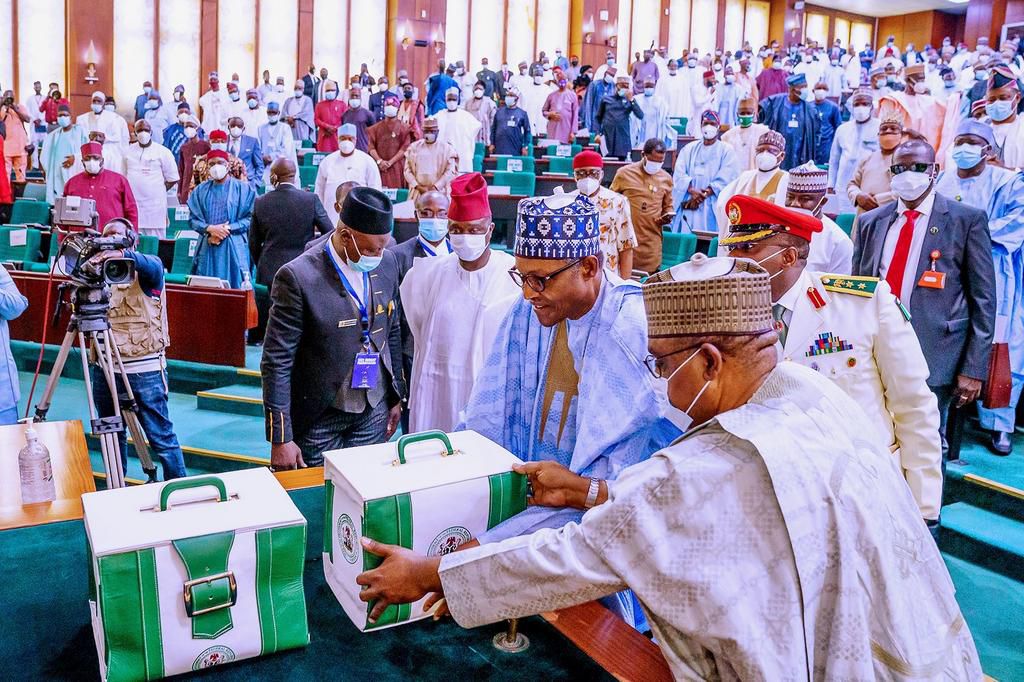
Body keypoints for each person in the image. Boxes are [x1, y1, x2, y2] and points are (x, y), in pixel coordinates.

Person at [357, 253, 981, 682]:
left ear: (709, 361)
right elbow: (694, 516)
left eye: (661, 365)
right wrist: (592, 490)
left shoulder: (713, 458)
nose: (662, 386)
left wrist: (434, 571)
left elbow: (576, 559)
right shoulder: (817, 397)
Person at [451, 191, 677, 625]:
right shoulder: (529, 310)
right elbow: (489, 413)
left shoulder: (632, 329)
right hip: (532, 499)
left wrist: (580, 490)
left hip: (594, 524)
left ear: (589, 267)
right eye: (521, 277)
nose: (530, 292)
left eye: (541, 279)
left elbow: (633, 480)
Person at [723, 195, 942, 523]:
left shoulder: (863, 303)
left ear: (788, 256)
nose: (734, 260)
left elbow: (913, 405)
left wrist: (924, 508)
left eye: (748, 249)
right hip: (775, 495)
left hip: (861, 488)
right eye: (732, 248)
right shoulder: (726, 313)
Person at [852, 139, 996, 457]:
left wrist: (973, 368)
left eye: (917, 167)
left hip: (935, 352)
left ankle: (927, 508)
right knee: (872, 437)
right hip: (874, 350)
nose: (908, 175)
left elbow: (984, 299)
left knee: (927, 442)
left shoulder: (965, 220)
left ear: (934, 170)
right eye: (899, 168)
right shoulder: (870, 222)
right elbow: (856, 291)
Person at [263, 187, 405, 468]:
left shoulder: (387, 262)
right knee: (322, 501)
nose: (377, 255)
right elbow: (276, 361)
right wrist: (280, 437)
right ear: (344, 236)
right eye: (369, 249)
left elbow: (392, 330)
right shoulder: (297, 276)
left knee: (366, 495)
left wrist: (395, 396)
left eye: (382, 247)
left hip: (372, 406)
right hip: (319, 415)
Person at [401, 176, 520, 434]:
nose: (465, 237)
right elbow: (418, 334)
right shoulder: (427, 274)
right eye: (456, 229)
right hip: (436, 389)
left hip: (487, 392)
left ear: (490, 230)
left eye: (474, 230)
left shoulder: (513, 275)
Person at [935, 120, 1024, 456]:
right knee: (950, 337)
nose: (965, 149)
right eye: (960, 141)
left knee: (1001, 347)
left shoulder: (1008, 181)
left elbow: (1017, 221)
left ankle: (999, 424)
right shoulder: (943, 179)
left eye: (973, 142)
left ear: (988, 149)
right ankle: (942, 419)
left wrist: (971, 238)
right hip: (949, 272)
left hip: (995, 274)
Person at [89, 218, 187, 481]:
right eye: (106, 237)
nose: (109, 243)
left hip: (145, 371)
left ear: (133, 241)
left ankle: (180, 490)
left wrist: (123, 254)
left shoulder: (148, 270)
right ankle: (116, 488)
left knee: (161, 437)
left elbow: (153, 264)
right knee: (111, 433)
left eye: (117, 237)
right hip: (105, 368)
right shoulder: (98, 272)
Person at [187, 149, 256, 289]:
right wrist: (210, 229)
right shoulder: (200, 191)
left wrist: (227, 228)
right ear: (207, 166)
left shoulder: (243, 189)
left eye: (220, 162)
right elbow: (192, 219)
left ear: (228, 165)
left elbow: (251, 218)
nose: (216, 166)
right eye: (212, 164)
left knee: (236, 289)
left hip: (233, 245)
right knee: (206, 291)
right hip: (208, 245)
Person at [564, 150, 637, 279]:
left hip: (607, 275)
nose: (588, 178)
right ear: (574, 176)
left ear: (601, 175)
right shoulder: (565, 202)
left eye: (593, 173)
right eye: (581, 173)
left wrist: (624, 285)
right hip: (574, 278)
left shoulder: (617, 202)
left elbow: (626, 247)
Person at [610, 138, 674, 275]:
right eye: (653, 161)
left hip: (651, 243)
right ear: (643, 155)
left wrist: (667, 216)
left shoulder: (666, 178)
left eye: (660, 162)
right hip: (626, 240)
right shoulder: (624, 174)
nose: (656, 165)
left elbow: (668, 206)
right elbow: (611, 202)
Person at [714, 130, 790, 246]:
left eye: (771, 150)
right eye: (760, 150)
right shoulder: (745, 178)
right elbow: (723, 204)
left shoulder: (787, 181)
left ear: (782, 155)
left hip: (770, 244)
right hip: (740, 241)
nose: (764, 154)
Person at [671, 110, 739, 235]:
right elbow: (679, 173)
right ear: (701, 126)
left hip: (712, 203)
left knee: (709, 239)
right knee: (688, 239)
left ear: (718, 126)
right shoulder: (689, 148)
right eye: (706, 123)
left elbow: (728, 175)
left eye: (712, 123)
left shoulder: (726, 150)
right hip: (689, 200)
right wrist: (692, 190)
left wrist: (704, 194)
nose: (709, 126)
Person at [784, 162, 853, 274]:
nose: (794, 204)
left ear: (823, 202)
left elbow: (836, 290)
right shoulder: (775, 228)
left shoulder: (839, 241)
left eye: (805, 199)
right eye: (790, 197)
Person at [315, 123, 383, 226]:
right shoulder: (327, 162)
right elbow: (319, 191)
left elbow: (376, 191)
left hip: (360, 220)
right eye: (343, 138)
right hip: (330, 220)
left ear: (355, 139)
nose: (346, 142)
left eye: (350, 138)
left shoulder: (367, 161)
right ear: (337, 139)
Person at [63, 142, 138, 232]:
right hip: (78, 239)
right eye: (87, 158)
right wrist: (62, 239)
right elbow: (64, 214)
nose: (91, 161)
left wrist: (132, 238)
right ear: (82, 162)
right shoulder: (72, 183)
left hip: (112, 237)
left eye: (95, 158)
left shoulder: (119, 180)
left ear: (102, 160)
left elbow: (131, 210)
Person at [827, 89, 880, 214]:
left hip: (869, 186)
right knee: (844, 218)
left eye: (865, 104)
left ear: (871, 107)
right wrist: (831, 184)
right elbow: (834, 160)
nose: (861, 108)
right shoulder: (842, 129)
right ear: (852, 106)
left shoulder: (880, 127)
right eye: (857, 104)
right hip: (843, 184)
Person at [124, 119, 179, 238]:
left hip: (155, 205)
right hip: (134, 203)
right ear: (135, 132)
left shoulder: (163, 152)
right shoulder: (127, 151)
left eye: (146, 130)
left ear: (151, 132)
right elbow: (122, 177)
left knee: (156, 241)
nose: (143, 133)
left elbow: (173, 177)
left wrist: (158, 190)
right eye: (140, 130)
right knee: (134, 239)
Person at [877, 64, 947, 155]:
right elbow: (883, 124)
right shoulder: (893, 100)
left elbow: (947, 109)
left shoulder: (926, 100)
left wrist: (958, 97)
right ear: (908, 80)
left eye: (923, 80)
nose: (922, 83)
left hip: (921, 150)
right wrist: (908, 131)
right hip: (898, 150)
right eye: (919, 79)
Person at [758, 73, 819, 170]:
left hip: (800, 154)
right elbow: (759, 114)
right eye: (802, 87)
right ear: (792, 89)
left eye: (806, 86)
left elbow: (816, 134)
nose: (805, 90)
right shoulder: (775, 103)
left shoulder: (810, 110)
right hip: (779, 152)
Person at [847, 116, 902, 216]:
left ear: (901, 135)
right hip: (862, 214)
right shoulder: (867, 158)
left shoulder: (905, 160)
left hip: (889, 215)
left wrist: (876, 200)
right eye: (884, 128)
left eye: (893, 128)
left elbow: (905, 191)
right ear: (878, 134)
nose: (888, 131)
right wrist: (858, 196)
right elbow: (852, 184)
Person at [41, 103, 87, 204]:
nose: (62, 117)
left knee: (73, 201)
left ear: (71, 117)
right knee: (58, 201)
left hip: (74, 171)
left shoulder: (80, 131)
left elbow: (87, 150)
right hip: (57, 172)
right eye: (60, 115)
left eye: (65, 115)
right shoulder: (53, 135)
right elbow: (46, 156)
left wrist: (76, 157)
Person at [75, 91, 128, 174]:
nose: (96, 103)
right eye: (94, 101)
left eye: (99, 101)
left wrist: (104, 138)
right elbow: (79, 137)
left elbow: (118, 137)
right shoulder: (82, 118)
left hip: (108, 151)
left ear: (103, 103)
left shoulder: (114, 118)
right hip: (89, 151)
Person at [367, 94, 413, 189]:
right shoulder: (375, 128)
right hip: (379, 167)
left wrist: (390, 162)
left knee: (397, 196)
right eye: (387, 105)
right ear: (383, 108)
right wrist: (380, 161)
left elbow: (405, 148)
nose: (390, 108)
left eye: (393, 106)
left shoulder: (404, 128)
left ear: (398, 108)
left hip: (397, 167)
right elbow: (371, 147)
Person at [434, 88, 481, 173]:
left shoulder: (465, 116)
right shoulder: (440, 115)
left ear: (458, 100)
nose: (451, 102)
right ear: (445, 100)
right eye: (449, 99)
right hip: (444, 154)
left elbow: (477, 126)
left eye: (454, 99)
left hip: (462, 155)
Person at [597, 75, 643, 160]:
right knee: (605, 164)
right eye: (622, 85)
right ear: (616, 86)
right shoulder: (606, 99)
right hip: (607, 138)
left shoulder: (630, 100)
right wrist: (598, 134)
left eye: (626, 86)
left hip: (622, 139)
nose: (624, 88)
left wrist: (632, 100)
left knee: (620, 165)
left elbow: (640, 115)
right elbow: (598, 118)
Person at [986, 66, 1024, 168]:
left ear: (1017, 98)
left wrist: (1004, 171)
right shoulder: (978, 129)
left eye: (1003, 98)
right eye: (991, 99)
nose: (997, 103)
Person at [720, 96, 768, 170]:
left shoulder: (763, 132)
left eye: (748, 113)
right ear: (737, 114)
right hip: (735, 177)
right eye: (742, 113)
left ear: (754, 114)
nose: (745, 115)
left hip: (754, 176)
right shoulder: (728, 136)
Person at [257, 101, 297, 187]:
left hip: (281, 165)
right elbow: (258, 146)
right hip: (265, 166)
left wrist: (271, 157)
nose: (271, 115)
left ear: (278, 113)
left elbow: (287, 149)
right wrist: (262, 157)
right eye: (269, 112)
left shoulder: (285, 128)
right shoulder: (261, 128)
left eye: (274, 112)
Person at [631, 77, 675, 151]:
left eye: (651, 86)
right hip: (642, 130)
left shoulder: (661, 101)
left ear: (654, 87)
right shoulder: (637, 99)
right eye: (647, 86)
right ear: (643, 86)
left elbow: (665, 116)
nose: (648, 88)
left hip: (655, 129)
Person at [176, 116, 211, 205]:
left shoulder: (206, 146)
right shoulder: (184, 148)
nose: (188, 129)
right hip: (186, 187)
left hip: (202, 185)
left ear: (197, 128)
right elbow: (181, 170)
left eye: (191, 126)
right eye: (186, 127)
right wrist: (179, 190)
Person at [1, 90, 30, 183]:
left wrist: (15, 108)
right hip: (6, 148)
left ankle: (20, 196)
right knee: (5, 176)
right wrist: (2, 105)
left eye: (11, 97)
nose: (9, 99)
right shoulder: (1, 109)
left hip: (20, 148)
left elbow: (28, 119)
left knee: (21, 177)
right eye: (7, 97)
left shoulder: (20, 107)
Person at [490, 89, 531, 156]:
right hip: (499, 147)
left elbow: (527, 131)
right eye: (508, 95)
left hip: (515, 147)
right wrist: (492, 143)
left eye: (511, 96)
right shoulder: (499, 112)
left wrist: (525, 146)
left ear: (516, 99)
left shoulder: (522, 114)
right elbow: (493, 129)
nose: (509, 97)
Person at [811, 82, 841, 166]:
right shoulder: (808, 107)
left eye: (823, 89)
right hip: (811, 143)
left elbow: (838, 127)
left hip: (827, 143)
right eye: (818, 88)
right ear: (813, 91)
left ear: (827, 91)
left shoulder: (833, 107)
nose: (821, 91)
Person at [542, 76, 579, 145]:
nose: (562, 83)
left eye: (564, 80)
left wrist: (573, 132)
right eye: (560, 81)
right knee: (552, 150)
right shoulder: (551, 95)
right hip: (553, 130)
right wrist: (550, 114)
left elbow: (575, 114)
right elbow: (544, 111)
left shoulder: (572, 95)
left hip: (566, 132)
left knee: (564, 152)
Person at [518, 66, 554, 137]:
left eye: (540, 75)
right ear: (533, 76)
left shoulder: (548, 90)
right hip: (529, 118)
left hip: (543, 121)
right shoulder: (525, 89)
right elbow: (520, 106)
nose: (538, 77)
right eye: (537, 75)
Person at [314, 81, 347, 152]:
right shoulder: (319, 105)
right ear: (325, 92)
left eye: (332, 90)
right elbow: (316, 119)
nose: (330, 92)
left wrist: (335, 128)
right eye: (328, 90)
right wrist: (326, 127)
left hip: (337, 136)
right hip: (324, 135)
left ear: (336, 91)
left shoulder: (342, 105)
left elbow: (344, 119)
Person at [582, 65, 616, 132]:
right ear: (605, 74)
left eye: (612, 75)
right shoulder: (594, 85)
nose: (610, 77)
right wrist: (587, 126)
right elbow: (588, 104)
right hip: (594, 120)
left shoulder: (613, 86)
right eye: (609, 74)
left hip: (608, 121)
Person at [341, 88, 376, 153]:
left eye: (357, 96)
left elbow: (374, 133)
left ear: (360, 98)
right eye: (352, 96)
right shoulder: (344, 115)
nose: (354, 97)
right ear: (349, 98)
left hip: (363, 149)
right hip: (349, 149)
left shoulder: (368, 114)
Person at [284, 79, 316, 143]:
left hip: (302, 128)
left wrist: (293, 118)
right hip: (289, 126)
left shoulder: (307, 100)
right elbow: (283, 112)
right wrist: (288, 118)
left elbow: (306, 113)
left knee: (302, 148)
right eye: (296, 88)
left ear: (303, 89)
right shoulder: (288, 100)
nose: (297, 90)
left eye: (300, 88)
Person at [465, 82, 496, 146]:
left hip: (485, 132)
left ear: (484, 90)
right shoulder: (468, 102)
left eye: (480, 89)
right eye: (476, 88)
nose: (478, 90)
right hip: (472, 132)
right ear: (473, 90)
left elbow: (493, 119)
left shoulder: (489, 102)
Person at [24, 81, 46, 168]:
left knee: (45, 144)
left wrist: (40, 119)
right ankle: (35, 165)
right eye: (36, 87)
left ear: (41, 87)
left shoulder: (45, 98)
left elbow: (46, 110)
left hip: (43, 123)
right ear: (34, 88)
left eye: (39, 86)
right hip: (34, 125)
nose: (37, 88)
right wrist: (34, 119)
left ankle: (44, 164)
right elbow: (27, 111)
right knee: (34, 144)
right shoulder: (29, 99)